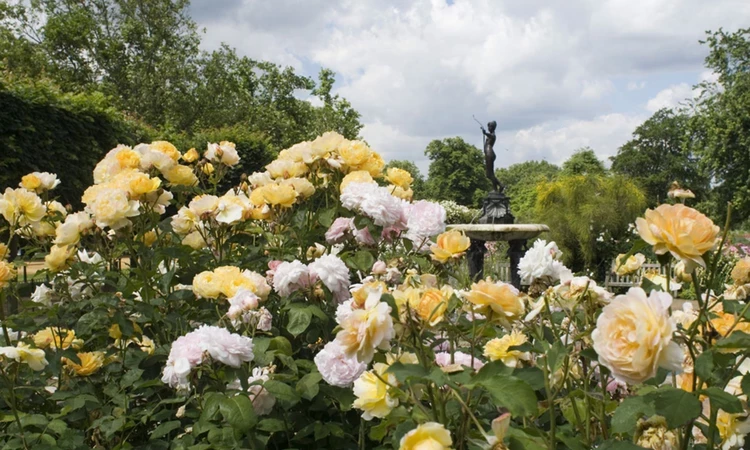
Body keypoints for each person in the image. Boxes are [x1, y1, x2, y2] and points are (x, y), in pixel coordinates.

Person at [480, 121, 503, 193]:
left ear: (492, 127)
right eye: (488, 127)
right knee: (488, 174)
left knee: (490, 174)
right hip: (488, 154)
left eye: (489, 127)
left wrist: (485, 133)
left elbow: (491, 136)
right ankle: (497, 187)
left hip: (490, 154)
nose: (488, 128)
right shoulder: (490, 135)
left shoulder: (493, 135)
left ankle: (498, 187)